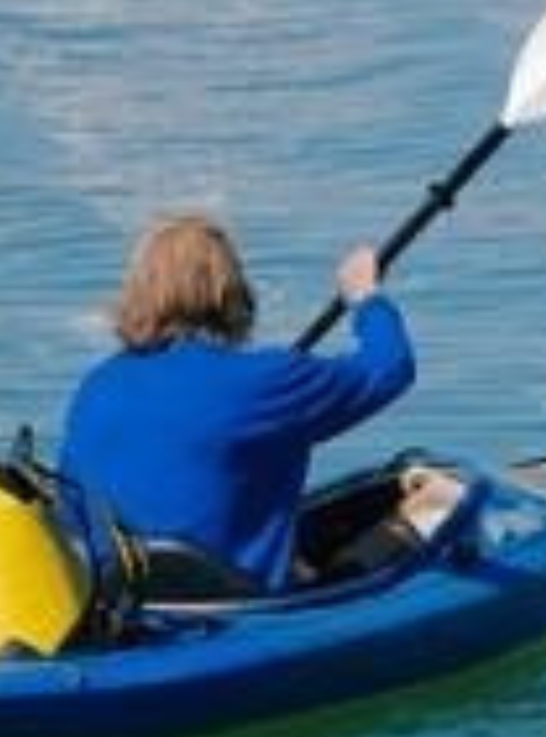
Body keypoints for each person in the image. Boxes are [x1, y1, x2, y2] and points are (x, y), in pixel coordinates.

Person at [57, 212, 415, 594]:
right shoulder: (268, 379)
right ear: (230, 291)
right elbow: (390, 365)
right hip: (231, 610)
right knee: (438, 498)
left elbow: (71, 510)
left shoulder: (96, 386)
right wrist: (365, 297)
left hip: (124, 602)